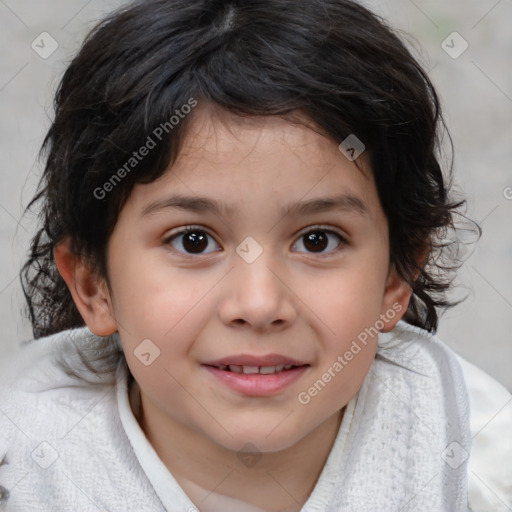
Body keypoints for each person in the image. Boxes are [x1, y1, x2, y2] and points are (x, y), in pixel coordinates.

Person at [0, 0, 510, 510]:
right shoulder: (22, 469)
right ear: (94, 285)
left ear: (396, 277)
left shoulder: (476, 460)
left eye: (317, 240)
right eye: (193, 241)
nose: (260, 304)